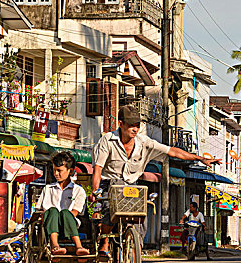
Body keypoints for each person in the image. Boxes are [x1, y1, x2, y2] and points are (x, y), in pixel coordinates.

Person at [91, 105, 220, 256]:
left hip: (132, 186)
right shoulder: (107, 140)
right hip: (110, 184)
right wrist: (95, 191)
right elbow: (98, 168)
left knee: (140, 216)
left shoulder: (144, 142)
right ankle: (104, 242)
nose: (135, 129)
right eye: (131, 125)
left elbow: (172, 151)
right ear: (120, 124)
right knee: (108, 210)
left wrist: (200, 158)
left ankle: (134, 245)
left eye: (137, 125)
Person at [35, 151, 89, 257]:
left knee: (65, 213)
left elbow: (75, 212)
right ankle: (55, 246)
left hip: (69, 225)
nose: (56, 174)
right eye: (54, 170)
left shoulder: (78, 190)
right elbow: (39, 210)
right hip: (49, 225)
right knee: (53, 211)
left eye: (59, 171)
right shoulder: (48, 189)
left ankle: (79, 246)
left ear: (70, 171)